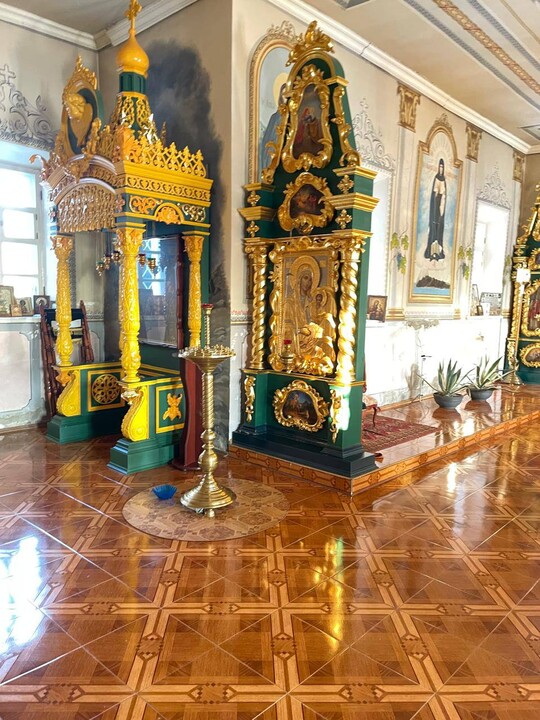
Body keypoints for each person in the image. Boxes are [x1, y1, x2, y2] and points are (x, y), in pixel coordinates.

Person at [424, 158, 447, 261]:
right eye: (440, 167)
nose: (441, 169)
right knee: (433, 228)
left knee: (439, 229)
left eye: (442, 167)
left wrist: (442, 197)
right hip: (435, 206)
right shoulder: (436, 179)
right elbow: (434, 193)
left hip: (441, 206)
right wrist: (436, 194)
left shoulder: (444, 180)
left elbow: (444, 194)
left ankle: (439, 252)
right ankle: (430, 251)